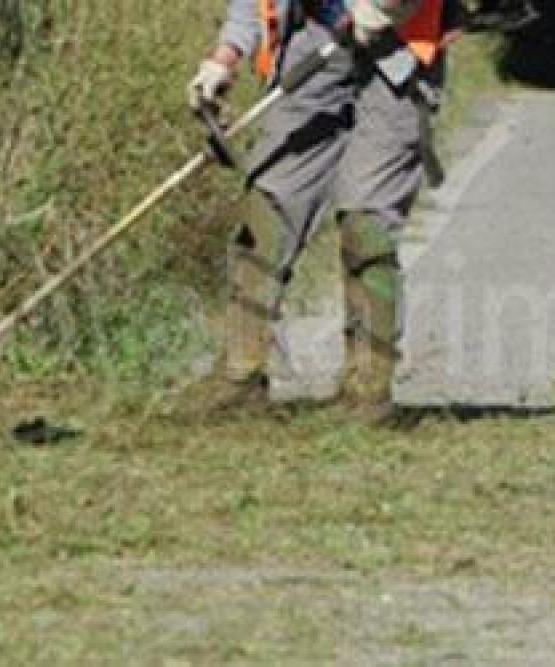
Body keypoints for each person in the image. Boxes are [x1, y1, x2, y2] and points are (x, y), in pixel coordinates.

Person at [187, 0, 463, 425]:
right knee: (267, 206)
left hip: (401, 47)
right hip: (314, 38)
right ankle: (239, 376)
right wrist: (224, 56)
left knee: (365, 215)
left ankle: (368, 391)